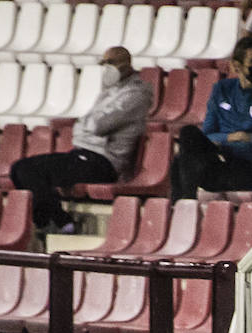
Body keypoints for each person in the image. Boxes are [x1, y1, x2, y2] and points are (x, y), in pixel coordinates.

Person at [9, 47, 152, 234]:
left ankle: (57, 223)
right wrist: (86, 124)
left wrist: (85, 124)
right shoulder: (110, 92)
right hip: (83, 154)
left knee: (30, 170)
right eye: (105, 64)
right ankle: (48, 222)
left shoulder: (136, 94)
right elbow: (84, 125)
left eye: (112, 64)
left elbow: (98, 125)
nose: (107, 69)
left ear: (126, 65)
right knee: (18, 169)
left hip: (102, 163)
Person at [169, 38, 252, 202]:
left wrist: (221, 143)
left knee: (184, 159)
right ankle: (186, 202)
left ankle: (183, 203)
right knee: (188, 134)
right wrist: (233, 137)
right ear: (237, 66)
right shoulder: (222, 88)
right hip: (217, 162)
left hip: (244, 169)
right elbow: (208, 133)